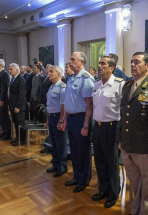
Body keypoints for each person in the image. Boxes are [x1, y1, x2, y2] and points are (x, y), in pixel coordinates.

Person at [118, 52, 148, 215]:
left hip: (145, 147)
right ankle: (135, 210)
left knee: (147, 186)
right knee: (135, 183)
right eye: (131, 62)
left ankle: (144, 212)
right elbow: (123, 114)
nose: (133, 65)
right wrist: (121, 140)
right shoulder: (127, 86)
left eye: (137, 62)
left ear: (147, 66)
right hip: (127, 144)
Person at [91, 56, 124, 208]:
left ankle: (113, 193)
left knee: (111, 163)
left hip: (112, 127)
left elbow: (124, 110)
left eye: (103, 63)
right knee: (99, 161)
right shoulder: (96, 84)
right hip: (97, 126)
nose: (99, 66)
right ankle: (103, 189)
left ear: (112, 68)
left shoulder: (119, 84)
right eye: (99, 63)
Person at [62, 51, 94, 193]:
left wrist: (86, 125)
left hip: (81, 118)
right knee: (74, 150)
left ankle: (84, 180)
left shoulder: (86, 78)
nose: (70, 61)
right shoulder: (70, 78)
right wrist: (65, 119)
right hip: (71, 118)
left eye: (73, 59)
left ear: (81, 62)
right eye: (70, 59)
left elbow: (89, 104)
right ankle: (77, 176)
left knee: (83, 151)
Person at [45, 65, 68, 177]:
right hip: (51, 117)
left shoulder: (62, 87)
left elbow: (63, 106)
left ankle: (62, 166)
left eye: (51, 71)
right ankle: (55, 164)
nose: (49, 73)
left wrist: (61, 121)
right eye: (49, 71)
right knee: (53, 143)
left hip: (58, 116)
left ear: (59, 74)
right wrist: (48, 119)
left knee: (60, 144)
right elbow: (49, 104)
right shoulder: (51, 86)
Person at [8, 63, 26, 146]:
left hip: (19, 106)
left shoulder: (20, 79)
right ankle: (17, 138)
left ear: (17, 70)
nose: (10, 71)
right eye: (9, 69)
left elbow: (22, 94)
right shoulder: (13, 79)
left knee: (20, 123)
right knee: (15, 122)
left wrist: (18, 106)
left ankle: (22, 139)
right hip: (13, 105)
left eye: (11, 69)